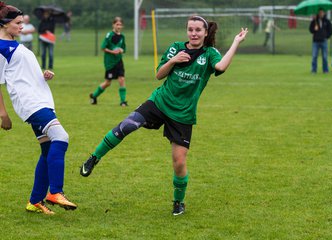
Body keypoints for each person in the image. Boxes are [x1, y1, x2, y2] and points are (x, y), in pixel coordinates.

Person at [80, 15, 248, 215]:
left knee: (179, 162)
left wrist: (236, 42)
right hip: (159, 102)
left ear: (205, 32)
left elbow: (221, 67)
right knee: (126, 126)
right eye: (190, 29)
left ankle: (178, 202)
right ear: (187, 31)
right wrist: (174, 60)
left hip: (183, 114)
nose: (194, 33)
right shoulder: (176, 47)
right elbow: (159, 74)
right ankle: (94, 158)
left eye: (198, 30)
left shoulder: (209, 53)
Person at [0, 2, 77, 215]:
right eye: (17, 23)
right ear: (4, 24)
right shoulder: (0, 48)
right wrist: (3, 113)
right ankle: (55, 191)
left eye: (22, 22)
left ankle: (34, 201)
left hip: (40, 100)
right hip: (30, 104)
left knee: (47, 149)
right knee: (61, 137)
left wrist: (43, 75)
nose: (22, 26)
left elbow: (22, 74)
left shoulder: (15, 45)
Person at [89, 17, 128, 106]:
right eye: (117, 24)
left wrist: (121, 50)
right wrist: (112, 51)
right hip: (110, 62)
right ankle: (94, 96)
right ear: (113, 25)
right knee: (108, 83)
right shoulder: (109, 35)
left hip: (119, 60)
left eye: (120, 25)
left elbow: (124, 48)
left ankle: (123, 101)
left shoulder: (122, 37)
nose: (119, 26)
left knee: (121, 79)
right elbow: (103, 48)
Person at [309, 9, 332, 73]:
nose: (321, 14)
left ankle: (325, 70)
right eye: (319, 13)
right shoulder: (314, 21)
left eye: (322, 13)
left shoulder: (327, 21)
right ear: (318, 13)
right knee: (314, 56)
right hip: (315, 42)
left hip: (324, 41)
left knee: (325, 57)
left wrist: (326, 36)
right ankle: (314, 70)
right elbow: (310, 30)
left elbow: (331, 31)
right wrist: (314, 29)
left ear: (324, 13)